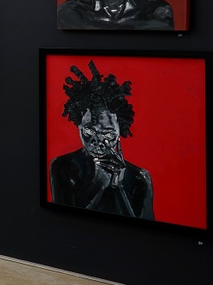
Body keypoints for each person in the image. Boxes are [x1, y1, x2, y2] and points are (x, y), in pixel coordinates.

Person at [49, 61, 154, 219]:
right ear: (78, 126)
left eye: (108, 134)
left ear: (119, 132)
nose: (97, 140)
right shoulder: (63, 166)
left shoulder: (140, 178)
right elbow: (64, 221)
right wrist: (99, 183)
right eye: (89, 131)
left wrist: (118, 185)